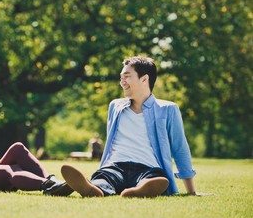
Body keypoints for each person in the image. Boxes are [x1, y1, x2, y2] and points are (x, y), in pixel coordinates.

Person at [61, 56, 197, 197]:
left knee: (152, 179)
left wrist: (191, 191)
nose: (122, 82)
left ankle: (141, 190)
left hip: (148, 168)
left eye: (126, 77)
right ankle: (94, 188)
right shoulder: (115, 106)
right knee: (105, 178)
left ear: (144, 79)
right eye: (121, 78)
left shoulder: (167, 109)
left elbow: (180, 148)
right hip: (115, 166)